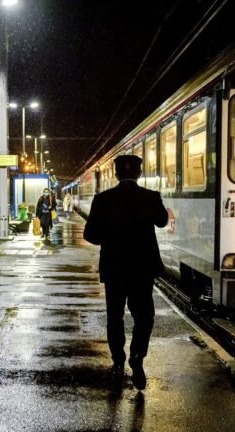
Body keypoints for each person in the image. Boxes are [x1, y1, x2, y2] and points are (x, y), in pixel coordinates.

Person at [83, 154, 168, 390]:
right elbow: (162, 222)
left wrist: (109, 234)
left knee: (115, 316)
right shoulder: (151, 197)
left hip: (114, 269)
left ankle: (118, 362)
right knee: (144, 316)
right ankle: (137, 356)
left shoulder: (102, 199)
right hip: (142, 269)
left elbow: (90, 235)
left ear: (117, 174)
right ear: (139, 174)